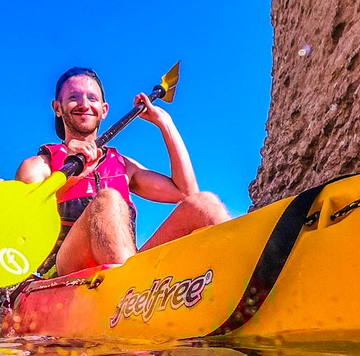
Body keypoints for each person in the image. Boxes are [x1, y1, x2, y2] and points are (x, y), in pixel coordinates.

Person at [15, 66, 229, 277]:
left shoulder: (123, 166)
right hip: (64, 271)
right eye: (73, 97)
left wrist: (165, 123)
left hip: (126, 270)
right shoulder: (39, 165)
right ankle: (131, 283)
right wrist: (74, 174)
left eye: (92, 98)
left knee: (204, 203)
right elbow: (24, 218)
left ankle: (242, 274)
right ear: (57, 108)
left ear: (104, 110)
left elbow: (185, 192)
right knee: (108, 199)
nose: (84, 104)